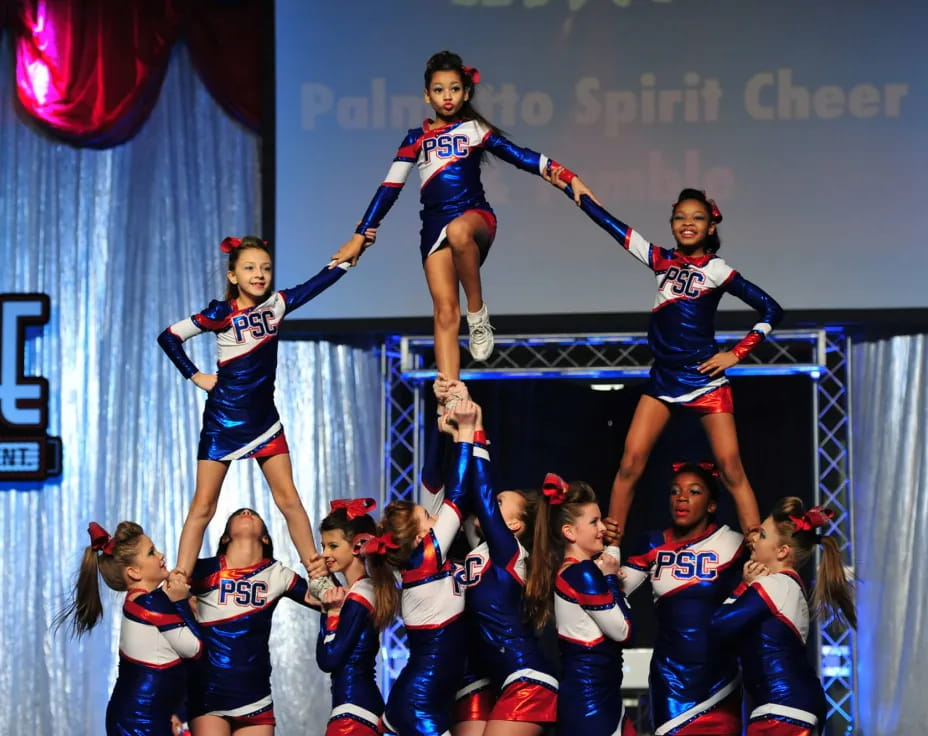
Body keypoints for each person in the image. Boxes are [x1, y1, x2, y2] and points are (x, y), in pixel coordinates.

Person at [330, 50, 596, 380]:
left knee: (458, 232)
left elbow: (521, 156)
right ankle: (451, 390)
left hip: (475, 218)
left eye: (454, 89)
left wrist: (567, 177)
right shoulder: (415, 139)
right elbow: (389, 187)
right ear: (427, 95)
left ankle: (477, 313)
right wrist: (362, 232)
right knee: (443, 312)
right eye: (439, 89)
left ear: (466, 92)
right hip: (433, 227)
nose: (447, 96)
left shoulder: (474, 130)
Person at [545, 173, 783, 539]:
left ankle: (758, 549)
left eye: (697, 217)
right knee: (630, 464)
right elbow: (612, 226)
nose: (688, 223)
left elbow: (771, 309)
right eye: (680, 217)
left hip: (706, 379)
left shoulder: (719, 271)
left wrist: (736, 354)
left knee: (732, 468)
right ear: (672, 225)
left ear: (711, 225)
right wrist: (578, 193)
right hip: (664, 379)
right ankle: (610, 546)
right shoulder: (658, 259)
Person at [157, 233, 372, 579]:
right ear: (233, 276)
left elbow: (319, 282)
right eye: (249, 268)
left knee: (289, 499)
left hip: (264, 421)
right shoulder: (219, 313)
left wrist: (350, 253)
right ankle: (180, 580)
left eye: (266, 268)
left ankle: (316, 576)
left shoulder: (277, 305)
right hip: (223, 420)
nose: (259, 274)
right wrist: (196, 376)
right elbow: (168, 337)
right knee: (203, 506)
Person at [443, 392, 557, 736]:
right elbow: (460, 489)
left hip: (527, 679)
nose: (493, 502)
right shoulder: (480, 550)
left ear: (513, 526)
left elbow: (480, 490)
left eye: (501, 502)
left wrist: (474, 431)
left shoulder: (509, 552)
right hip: (489, 677)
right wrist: (458, 436)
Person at [365, 401, 480, 736]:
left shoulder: (421, 564)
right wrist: (466, 433)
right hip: (419, 707)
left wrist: (443, 427)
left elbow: (438, 485)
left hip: (423, 701)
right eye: (429, 519)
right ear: (419, 537)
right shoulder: (427, 557)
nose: (436, 517)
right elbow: (455, 498)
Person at [615, 462, 746, 736]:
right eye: (675, 491)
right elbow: (615, 590)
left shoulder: (735, 543)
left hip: (719, 679)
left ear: (711, 505)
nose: (681, 498)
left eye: (694, 492)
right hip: (670, 679)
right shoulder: (652, 543)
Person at [710, 497, 855, 735]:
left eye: (763, 535)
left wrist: (743, 587)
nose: (754, 539)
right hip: (791, 708)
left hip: (783, 710)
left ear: (782, 551)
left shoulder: (773, 586)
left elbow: (718, 627)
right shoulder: (789, 587)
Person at [57, 522, 200, 736]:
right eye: (151, 552)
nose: (161, 555)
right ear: (133, 572)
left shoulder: (146, 600)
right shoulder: (151, 603)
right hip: (139, 722)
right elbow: (196, 649)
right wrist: (181, 603)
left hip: (138, 717)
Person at [185, 508, 317, 735]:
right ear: (225, 537)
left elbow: (324, 599)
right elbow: (166, 597)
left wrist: (319, 569)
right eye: (237, 514)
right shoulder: (202, 569)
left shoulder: (277, 574)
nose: (247, 511)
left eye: (254, 514)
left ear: (265, 538)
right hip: (208, 695)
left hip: (256, 697)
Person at [523, 475, 633, 735]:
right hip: (591, 703)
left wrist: (610, 576)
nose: (602, 528)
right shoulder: (583, 574)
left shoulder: (579, 571)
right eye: (593, 522)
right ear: (569, 532)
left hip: (597, 698)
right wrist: (610, 579)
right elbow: (624, 631)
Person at [311, 498, 383, 736]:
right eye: (323, 546)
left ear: (357, 545)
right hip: (356, 709)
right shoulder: (360, 591)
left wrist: (330, 614)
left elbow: (329, 660)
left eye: (332, 546)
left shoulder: (360, 594)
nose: (325, 554)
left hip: (354, 714)